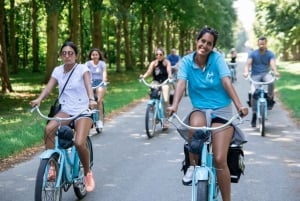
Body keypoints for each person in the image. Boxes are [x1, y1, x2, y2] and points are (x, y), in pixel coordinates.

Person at [168, 26, 248, 201]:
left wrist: (240, 105)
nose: (204, 45)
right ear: (197, 41)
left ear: (212, 47)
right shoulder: (187, 62)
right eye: (202, 41)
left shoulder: (217, 59)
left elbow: (226, 82)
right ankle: (193, 165)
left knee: (219, 159)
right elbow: (181, 84)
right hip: (200, 109)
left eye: (209, 43)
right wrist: (174, 106)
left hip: (222, 110)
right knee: (195, 128)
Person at [30, 41, 96, 192]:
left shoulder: (82, 69)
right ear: (61, 56)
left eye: (70, 53)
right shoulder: (57, 71)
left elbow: (88, 86)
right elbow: (48, 88)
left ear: (76, 55)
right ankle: (52, 165)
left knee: (79, 143)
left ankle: (87, 173)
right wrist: (39, 99)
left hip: (83, 110)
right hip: (66, 109)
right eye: (64, 53)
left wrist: (92, 99)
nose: (67, 56)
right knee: (49, 129)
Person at [243, 36, 280, 127]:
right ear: (257, 44)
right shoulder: (253, 53)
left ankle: (270, 99)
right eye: (260, 44)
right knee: (254, 92)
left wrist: (275, 71)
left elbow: (272, 64)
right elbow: (248, 64)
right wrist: (246, 72)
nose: (261, 45)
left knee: (271, 81)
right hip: (255, 75)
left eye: (263, 44)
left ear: (266, 43)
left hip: (265, 74)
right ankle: (254, 115)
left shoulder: (270, 54)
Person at [140, 47, 172, 129]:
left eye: (160, 54)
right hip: (156, 82)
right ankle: (154, 114)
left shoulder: (166, 62)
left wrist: (170, 76)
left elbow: (169, 71)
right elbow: (149, 71)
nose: (159, 56)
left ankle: (166, 119)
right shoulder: (153, 63)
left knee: (165, 100)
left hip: (165, 82)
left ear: (163, 55)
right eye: (157, 54)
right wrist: (143, 77)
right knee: (153, 95)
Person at [85, 48, 108, 130]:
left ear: (99, 56)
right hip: (90, 83)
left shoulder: (102, 64)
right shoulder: (87, 64)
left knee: (98, 101)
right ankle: (89, 119)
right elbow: (85, 74)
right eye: (93, 54)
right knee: (89, 101)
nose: (95, 56)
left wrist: (104, 80)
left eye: (96, 54)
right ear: (91, 56)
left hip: (100, 83)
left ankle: (100, 121)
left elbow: (104, 73)